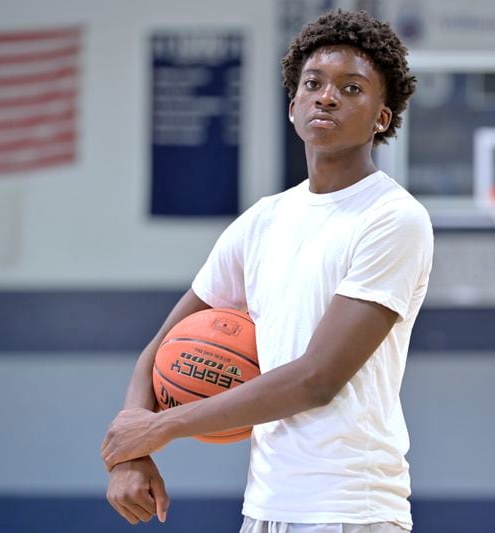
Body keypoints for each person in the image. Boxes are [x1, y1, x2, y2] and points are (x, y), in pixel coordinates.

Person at [101, 9, 433, 532]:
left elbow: (316, 379)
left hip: (352, 509)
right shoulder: (262, 222)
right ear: (293, 104)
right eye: (314, 83)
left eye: (351, 88)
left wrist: (160, 429)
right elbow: (159, 351)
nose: (327, 96)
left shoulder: (394, 219)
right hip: (265, 508)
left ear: (381, 118)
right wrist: (130, 453)